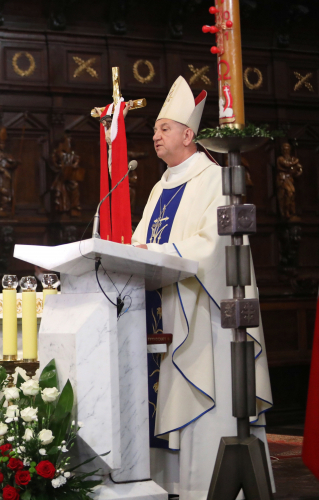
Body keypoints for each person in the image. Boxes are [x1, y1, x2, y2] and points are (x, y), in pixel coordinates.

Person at [131, 76, 273, 499]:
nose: (154, 135)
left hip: (204, 313)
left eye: (163, 128)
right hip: (165, 306)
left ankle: (206, 484)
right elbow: (142, 244)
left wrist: (163, 252)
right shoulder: (160, 185)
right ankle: (170, 484)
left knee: (204, 387)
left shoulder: (214, 178)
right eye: (155, 128)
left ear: (188, 134)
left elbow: (215, 246)